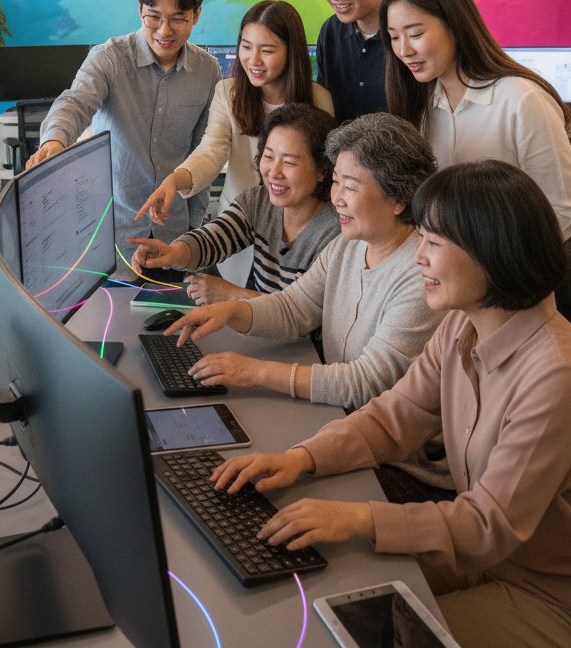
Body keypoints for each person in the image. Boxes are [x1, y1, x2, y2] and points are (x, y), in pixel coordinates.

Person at [210, 162, 571, 648]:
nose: (418, 256)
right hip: (501, 561)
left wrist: (358, 518)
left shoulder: (557, 375)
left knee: (375, 633)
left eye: (434, 244)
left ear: (494, 254)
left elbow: (489, 525)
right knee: (327, 585)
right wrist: (299, 458)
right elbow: (392, 418)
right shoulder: (465, 326)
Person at [164, 115, 450, 500]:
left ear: (399, 199)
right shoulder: (350, 244)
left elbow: (365, 384)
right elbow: (295, 307)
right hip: (342, 425)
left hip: (399, 463)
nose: (337, 198)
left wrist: (257, 372)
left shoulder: (419, 276)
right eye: (336, 183)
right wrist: (231, 311)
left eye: (350, 187)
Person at [381, 0, 571, 323]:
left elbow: (568, 209)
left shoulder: (520, 100)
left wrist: (492, 262)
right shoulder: (420, 106)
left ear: (455, 27)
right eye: (394, 37)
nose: (404, 50)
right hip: (460, 288)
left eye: (414, 34)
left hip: (523, 285)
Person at [28, 0, 222, 279]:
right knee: (106, 326)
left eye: (177, 19)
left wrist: (194, 224)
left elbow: (203, 150)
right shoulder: (109, 58)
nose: (164, 31)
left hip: (173, 237)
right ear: (139, 9)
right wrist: (55, 139)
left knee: (165, 324)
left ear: (196, 14)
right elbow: (76, 101)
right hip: (110, 234)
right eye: (153, 17)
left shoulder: (207, 70)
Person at [136, 0, 333, 286]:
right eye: (246, 46)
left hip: (298, 237)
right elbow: (211, 151)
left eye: (267, 50)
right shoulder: (228, 93)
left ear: (292, 52)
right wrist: (174, 181)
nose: (253, 59)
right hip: (238, 229)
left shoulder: (319, 101)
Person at [128, 104, 339, 307]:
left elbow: (306, 315)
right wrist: (173, 252)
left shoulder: (335, 233)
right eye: (268, 157)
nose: (274, 172)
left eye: (289, 162)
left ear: (322, 170)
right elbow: (213, 239)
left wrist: (232, 295)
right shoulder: (259, 201)